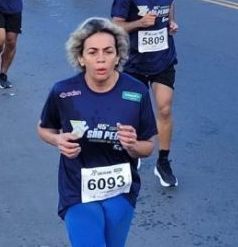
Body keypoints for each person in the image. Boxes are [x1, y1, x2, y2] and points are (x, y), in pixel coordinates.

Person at [38, 17, 157, 247]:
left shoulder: (136, 91)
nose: (101, 59)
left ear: (118, 56)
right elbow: (44, 129)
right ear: (81, 58)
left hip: (120, 192)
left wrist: (133, 145)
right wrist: (57, 139)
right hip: (77, 190)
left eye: (108, 51)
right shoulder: (63, 92)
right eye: (92, 52)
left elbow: (148, 146)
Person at [111, 0, 181, 187]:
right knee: (133, 112)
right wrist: (139, 24)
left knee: (164, 108)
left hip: (163, 58)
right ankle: (133, 151)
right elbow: (116, 25)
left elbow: (169, 5)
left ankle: (163, 161)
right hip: (135, 62)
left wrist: (171, 23)